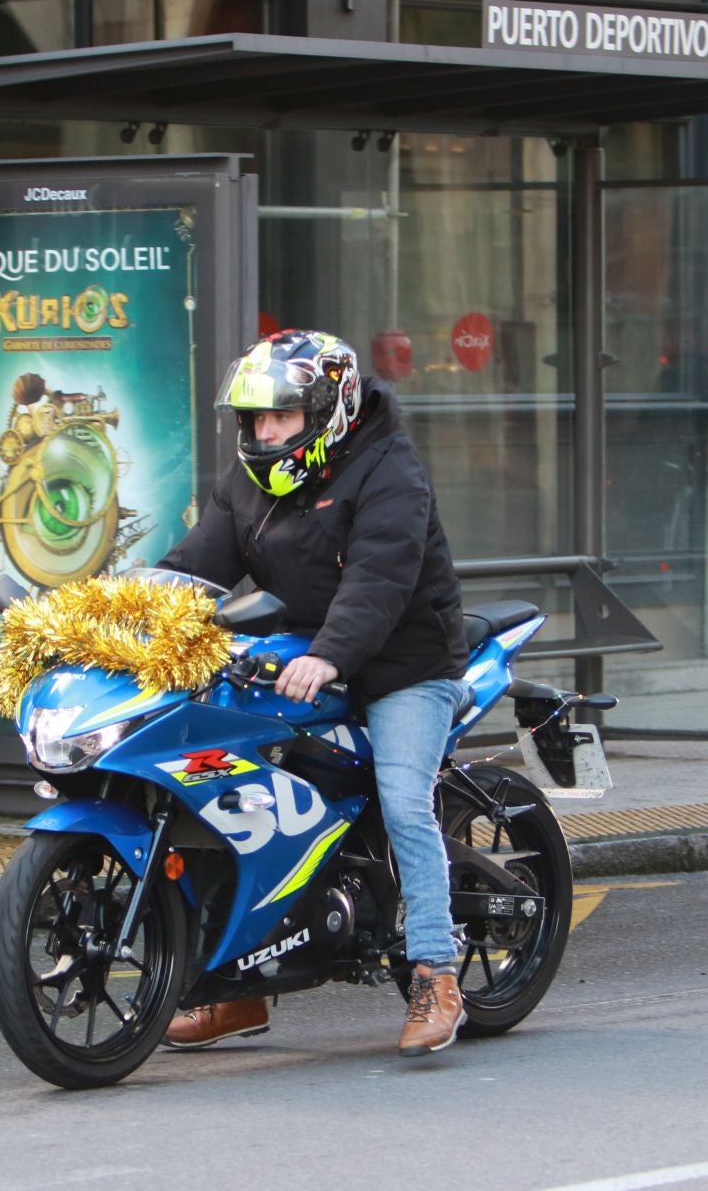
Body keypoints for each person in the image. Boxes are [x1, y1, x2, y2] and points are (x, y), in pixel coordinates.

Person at [154, 330, 471, 1058]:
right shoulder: (248, 479)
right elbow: (196, 563)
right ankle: (235, 988)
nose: (264, 432)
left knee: (402, 797)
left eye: (281, 418)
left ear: (330, 409)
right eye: (255, 419)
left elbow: (380, 579)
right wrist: (129, 611)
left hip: (403, 664)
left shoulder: (389, 469)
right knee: (223, 784)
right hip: (300, 657)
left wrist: (332, 656)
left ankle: (436, 971)